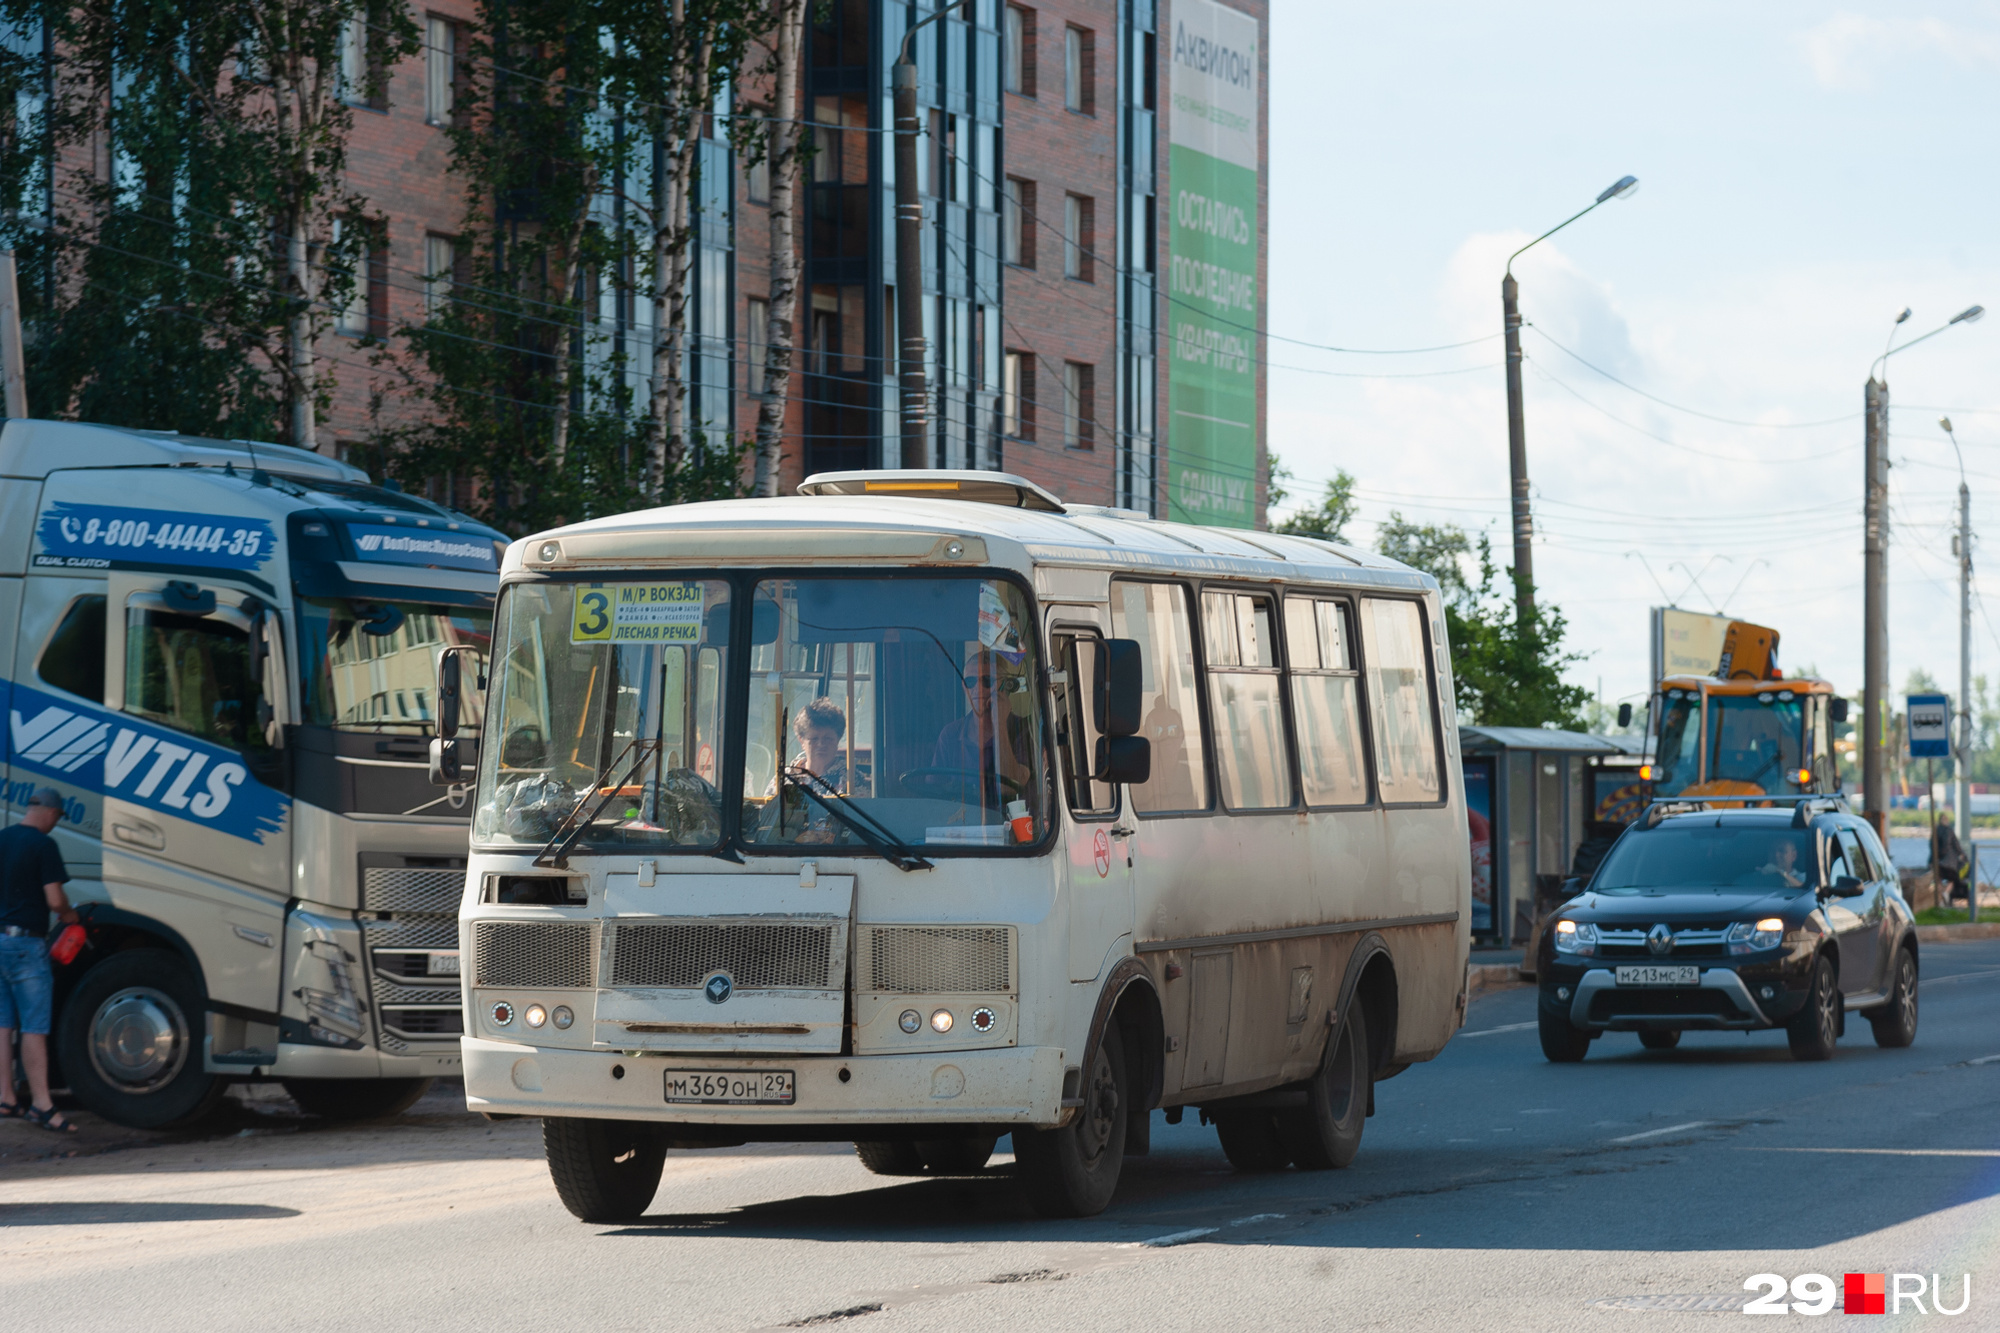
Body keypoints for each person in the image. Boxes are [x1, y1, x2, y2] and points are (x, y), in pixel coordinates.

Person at [1, 787, 79, 1133]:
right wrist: (69, 915)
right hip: (25, 946)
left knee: (2, 1024)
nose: (55, 824)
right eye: (58, 818)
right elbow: (54, 899)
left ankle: (5, 1098)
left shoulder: (2, 839)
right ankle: (42, 1105)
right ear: (49, 812)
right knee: (34, 1027)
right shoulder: (44, 846)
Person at [931, 650, 1034, 811]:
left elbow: (1010, 788)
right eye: (970, 681)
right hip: (959, 830)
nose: (978, 688)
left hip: (1010, 831)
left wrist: (999, 723)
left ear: (1004, 685)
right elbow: (934, 796)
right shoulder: (950, 735)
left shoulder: (1024, 731)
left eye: (987, 680)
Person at [764, 698, 854, 844]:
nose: (821, 744)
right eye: (814, 739)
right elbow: (766, 820)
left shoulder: (853, 780)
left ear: (838, 739)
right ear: (801, 741)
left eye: (828, 738)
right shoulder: (784, 778)